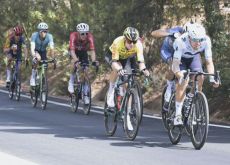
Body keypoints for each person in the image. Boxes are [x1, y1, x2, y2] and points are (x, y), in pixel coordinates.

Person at [172, 23, 219, 125]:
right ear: (189, 38)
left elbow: (209, 62)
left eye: (200, 40)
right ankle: (178, 115)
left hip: (194, 57)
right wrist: (180, 76)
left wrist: (212, 78)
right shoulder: (180, 42)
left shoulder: (206, 40)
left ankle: (191, 100)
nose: (198, 43)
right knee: (184, 81)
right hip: (181, 60)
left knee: (200, 77)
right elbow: (175, 66)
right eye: (195, 41)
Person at [105, 27, 150, 109]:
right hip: (112, 56)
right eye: (129, 41)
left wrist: (144, 70)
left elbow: (141, 62)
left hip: (125, 58)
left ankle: (126, 104)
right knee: (117, 69)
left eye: (134, 41)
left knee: (127, 78)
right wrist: (119, 69)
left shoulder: (138, 45)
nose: (132, 44)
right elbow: (115, 61)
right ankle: (111, 92)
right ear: (125, 39)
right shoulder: (118, 42)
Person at [151, 22, 192, 111]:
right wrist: (171, 33)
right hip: (168, 51)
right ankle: (169, 88)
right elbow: (154, 33)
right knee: (173, 64)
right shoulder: (176, 30)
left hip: (181, 53)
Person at [68, 23, 99, 104]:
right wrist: (76, 61)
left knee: (86, 71)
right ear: (78, 33)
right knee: (74, 64)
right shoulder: (73, 35)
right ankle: (71, 82)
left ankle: (85, 95)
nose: (84, 35)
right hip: (74, 51)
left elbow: (92, 51)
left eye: (86, 33)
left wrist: (94, 61)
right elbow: (71, 51)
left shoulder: (90, 37)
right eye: (82, 33)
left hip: (83, 52)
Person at [30, 22, 55, 86]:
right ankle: (33, 76)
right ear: (38, 31)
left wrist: (53, 58)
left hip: (43, 51)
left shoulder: (50, 36)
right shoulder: (34, 35)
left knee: (45, 64)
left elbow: (52, 48)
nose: (44, 33)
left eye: (45, 31)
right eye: (42, 31)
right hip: (36, 50)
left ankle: (42, 77)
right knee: (38, 59)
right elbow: (32, 48)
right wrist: (34, 56)